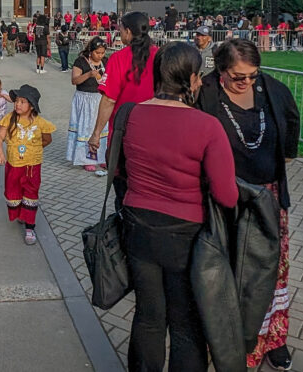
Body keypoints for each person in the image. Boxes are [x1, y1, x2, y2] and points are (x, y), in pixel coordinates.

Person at [119, 42, 238, 371]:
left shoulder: (132, 113)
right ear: (194, 79)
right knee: (185, 326)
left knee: (148, 316)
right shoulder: (207, 127)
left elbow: (115, 167)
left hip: (138, 227)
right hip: (185, 235)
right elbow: (227, 196)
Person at [197, 38, 300, 371]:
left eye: (252, 75)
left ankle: (273, 338)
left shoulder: (273, 90)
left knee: (269, 272)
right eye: (238, 76)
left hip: (267, 198)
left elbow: (291, 131)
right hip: (224, 199)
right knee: (227, 273)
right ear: (221, 69)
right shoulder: (205, 92)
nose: (246, 82)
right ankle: (226, 338)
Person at [88, 11, 158, 207]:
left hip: (124, 135)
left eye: (120, 30)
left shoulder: (118, 58)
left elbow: (109, 100)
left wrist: (95, 134)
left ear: (128, 31)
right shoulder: (161, 55)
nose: (119, 34)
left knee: (123, 193)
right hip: (156, 133)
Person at [0, 84, 55, 245]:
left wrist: (33, 149)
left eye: (22, 102)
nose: (17, 104)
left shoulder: (41, 123)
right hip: (14, 165)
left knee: (31, 194)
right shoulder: (9, 118)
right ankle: (21, 213)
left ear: (32, 105)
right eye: (17, 101)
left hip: (33, 166)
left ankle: (30, 227)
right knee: (13, 192)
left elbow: (47, 139)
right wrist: (0, 152)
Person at [65, 37, 108, 173]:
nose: (100, 56)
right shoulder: (81, 62)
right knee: (87, 127)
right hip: (84, 98)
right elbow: (74, 80)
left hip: (100, 98)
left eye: (102, 53)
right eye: (97, 53)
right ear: (91, 52)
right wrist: (89, 74)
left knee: (101, 127)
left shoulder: (105, 62)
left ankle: (102, 157)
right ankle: (86, 159)